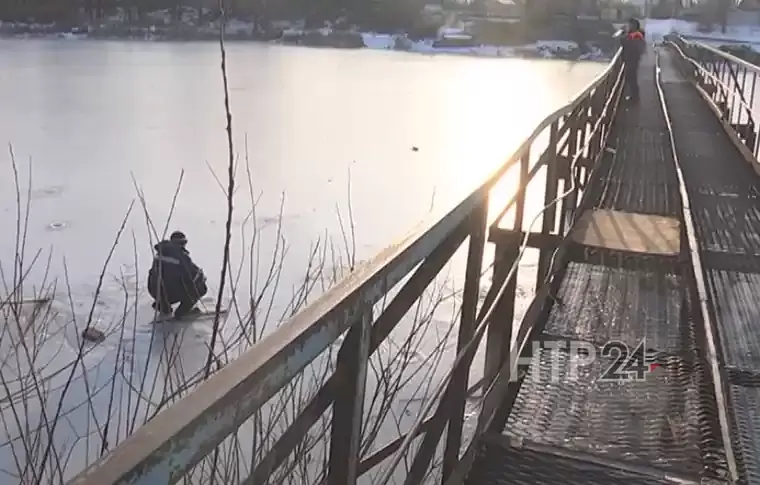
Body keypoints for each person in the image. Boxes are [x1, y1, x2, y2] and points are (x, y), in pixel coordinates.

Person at [147, 231, 207, 319]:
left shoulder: (160, 253)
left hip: (155, 291)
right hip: (172, 292)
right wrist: (201, 277)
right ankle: (182, 312)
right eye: (183, 243)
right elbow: (193, 275)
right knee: (201, 288)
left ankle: (163, 306)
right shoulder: (181, 257)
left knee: (165, 284)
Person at [620, 18, 646, 102]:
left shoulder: (636, 35)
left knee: (632, 78)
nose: (629, 26)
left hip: (633, 59)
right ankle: (633, 96)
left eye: (630, 25)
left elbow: (627, 42)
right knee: (630, 77)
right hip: (631, 59)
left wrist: (624, 34)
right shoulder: (634, 34)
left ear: (634, 25)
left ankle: (635, 97)